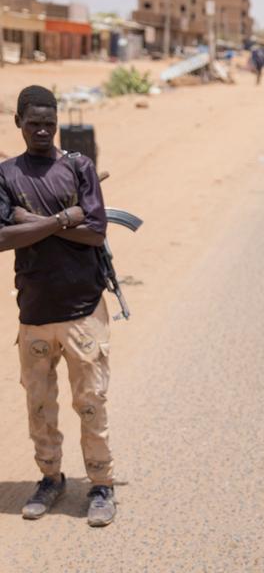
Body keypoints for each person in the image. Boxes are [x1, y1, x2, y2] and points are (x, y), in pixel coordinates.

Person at [0, 86, 117, 527]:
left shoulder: (78, 166)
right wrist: (64, 218)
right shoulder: (6, 174)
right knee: (39, 406)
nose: (44, 130)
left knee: (91, 404)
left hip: (83, 311)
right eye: (34, 123)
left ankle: (102, 485)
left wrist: (32, 222)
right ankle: (50, 479)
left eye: (50, 122)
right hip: (33, 314)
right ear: (18, 123)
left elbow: (96, 231)